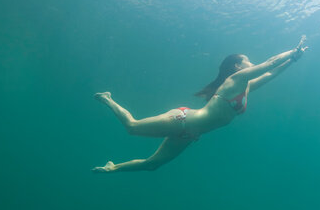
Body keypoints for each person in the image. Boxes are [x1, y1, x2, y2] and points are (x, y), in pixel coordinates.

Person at [92, 36, 308, 173]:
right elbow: (269, 63)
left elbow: (271, 73)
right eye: (248, 61)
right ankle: (107, 98)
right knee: (132, 127)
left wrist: (294, 60)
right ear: (237, 66)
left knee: (152, 165)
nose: (252, 63)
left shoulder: (247, 87)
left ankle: (112, 168)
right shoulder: (234, 81)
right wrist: (292, 51)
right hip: (183, 120)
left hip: (191, 134)